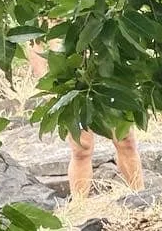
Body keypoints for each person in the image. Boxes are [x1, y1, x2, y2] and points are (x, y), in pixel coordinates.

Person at [27, 45, 144, 198]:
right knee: (81, 148)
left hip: (108, 74)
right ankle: (79, 205)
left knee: (125, 140)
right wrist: (46, 80)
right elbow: (35, 40)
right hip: (73, 81)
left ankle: (141, 197)